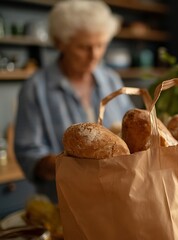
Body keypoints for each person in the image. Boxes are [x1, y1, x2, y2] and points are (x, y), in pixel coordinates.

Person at [14, 0, 133, 202]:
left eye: (101, 45)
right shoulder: (36, 88)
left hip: (117, 201)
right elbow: (29, 156)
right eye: (84, 47)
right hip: (66, 204)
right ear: (61, 43)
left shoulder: (111, 79)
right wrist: (73, 164)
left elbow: (130, 134)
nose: (94, 55)